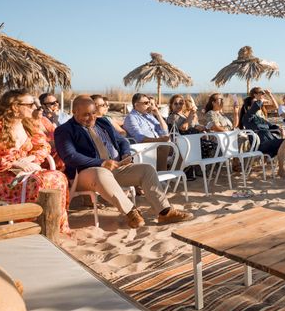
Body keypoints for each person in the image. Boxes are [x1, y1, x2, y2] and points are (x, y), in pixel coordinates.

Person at [54, 95, 192, 228]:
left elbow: (122, 141)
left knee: (147, 169)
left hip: (115, 168)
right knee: (100, 172)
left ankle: (165, 212)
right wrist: (101, 162)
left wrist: (126, 154)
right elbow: (70, 156)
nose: (91, 118)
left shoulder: (103, 122)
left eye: (93, 113)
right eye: (86, 115)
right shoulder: (64, 130)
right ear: (74, 112)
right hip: (84, 174)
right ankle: (131, 212)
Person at [0, 89, 70, 233]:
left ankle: (54, 226)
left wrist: (31, 159)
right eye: (30, 104)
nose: (35, 107)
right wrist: (14, 163)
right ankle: (31, 227)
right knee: (42, 181)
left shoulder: (28, 124)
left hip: (28, 172)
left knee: (59, 177)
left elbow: (43, 146)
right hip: (3, 179)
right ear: (15, 106)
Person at [241, 87, 285, 178]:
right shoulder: (247, 118)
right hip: (261, 145)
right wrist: (260, 99)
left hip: (270, 141)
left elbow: (270, 125)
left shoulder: (259, 119)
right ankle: (282, 170)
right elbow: (255, 108)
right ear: (249, 107)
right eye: (254, 104)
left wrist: (279, 128)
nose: (258, 105)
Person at [123, 93, 170, 170]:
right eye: (146, 103)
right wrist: (159, 140)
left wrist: (158, 113)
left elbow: (164, 131)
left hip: (155, 145)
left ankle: (172, 174)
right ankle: (161, 176)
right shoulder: (131, 118)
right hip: (143, 148)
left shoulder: (148, 116)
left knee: (180, 147)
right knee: (165, 147)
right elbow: (140, 138)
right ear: (136, 105)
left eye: (149, 102)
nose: (149, 105)